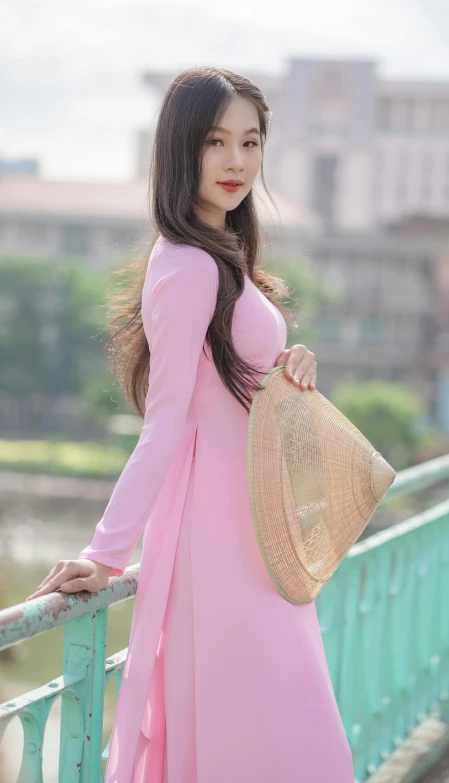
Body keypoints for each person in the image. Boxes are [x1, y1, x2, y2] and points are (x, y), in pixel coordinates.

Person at [25, 66, 354, 783]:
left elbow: (227, 395)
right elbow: (166, 421)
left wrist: (289, 370)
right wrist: (106, 556)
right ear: (181, 149)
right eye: (215, 142)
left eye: (250, 141)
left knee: (277, 731)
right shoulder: (187, 265)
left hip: (256, 529)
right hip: (221, 537)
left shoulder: (222, 256)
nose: (237, 161)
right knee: (270, 735)